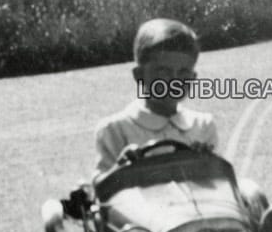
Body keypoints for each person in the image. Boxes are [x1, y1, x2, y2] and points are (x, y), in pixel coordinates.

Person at [92, 17, 217, 176]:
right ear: (139, 75)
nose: (175, 81)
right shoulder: (116, 129)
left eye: (183, 73)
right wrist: (121, 168)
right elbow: (101, 188)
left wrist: (209, 163)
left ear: (193, 78)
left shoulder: (202, 126)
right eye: (163, 71)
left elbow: (221, 187)